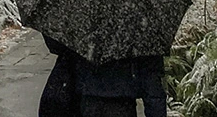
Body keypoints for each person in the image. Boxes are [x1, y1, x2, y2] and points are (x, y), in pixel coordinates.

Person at [39, 38, 167, 117]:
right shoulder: (141, 26)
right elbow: (152, 79)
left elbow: (57, 47)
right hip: (121, 102)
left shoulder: (82, 14)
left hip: (87, 98)